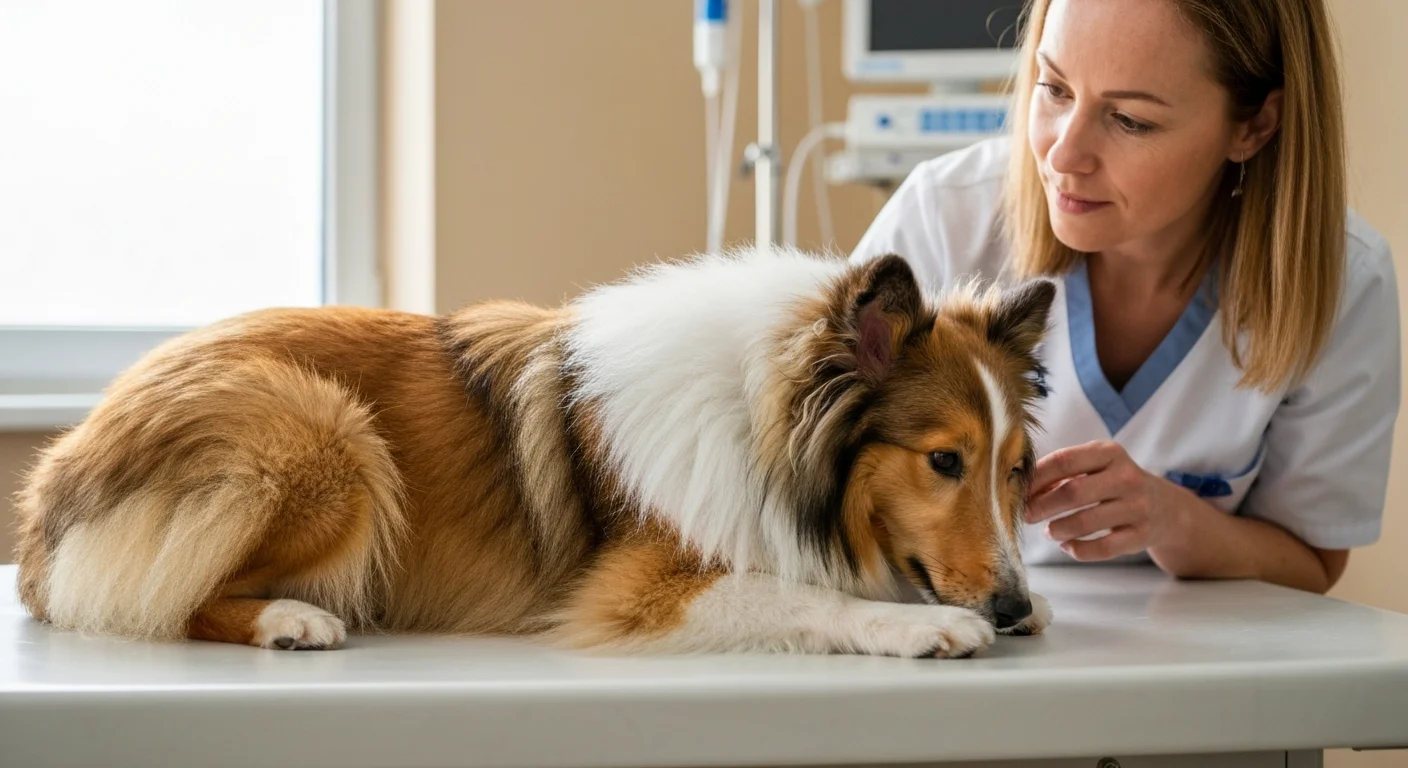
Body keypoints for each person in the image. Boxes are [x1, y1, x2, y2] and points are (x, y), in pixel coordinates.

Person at [851, 0, 1399, 594]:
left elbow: (1313, 562)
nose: (1063, 155)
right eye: (1054, 88)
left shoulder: (1342, 282)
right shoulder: (940, 220)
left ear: (1255, 126)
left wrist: (1172, 518)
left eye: (1130, 121)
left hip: (1198, 650)